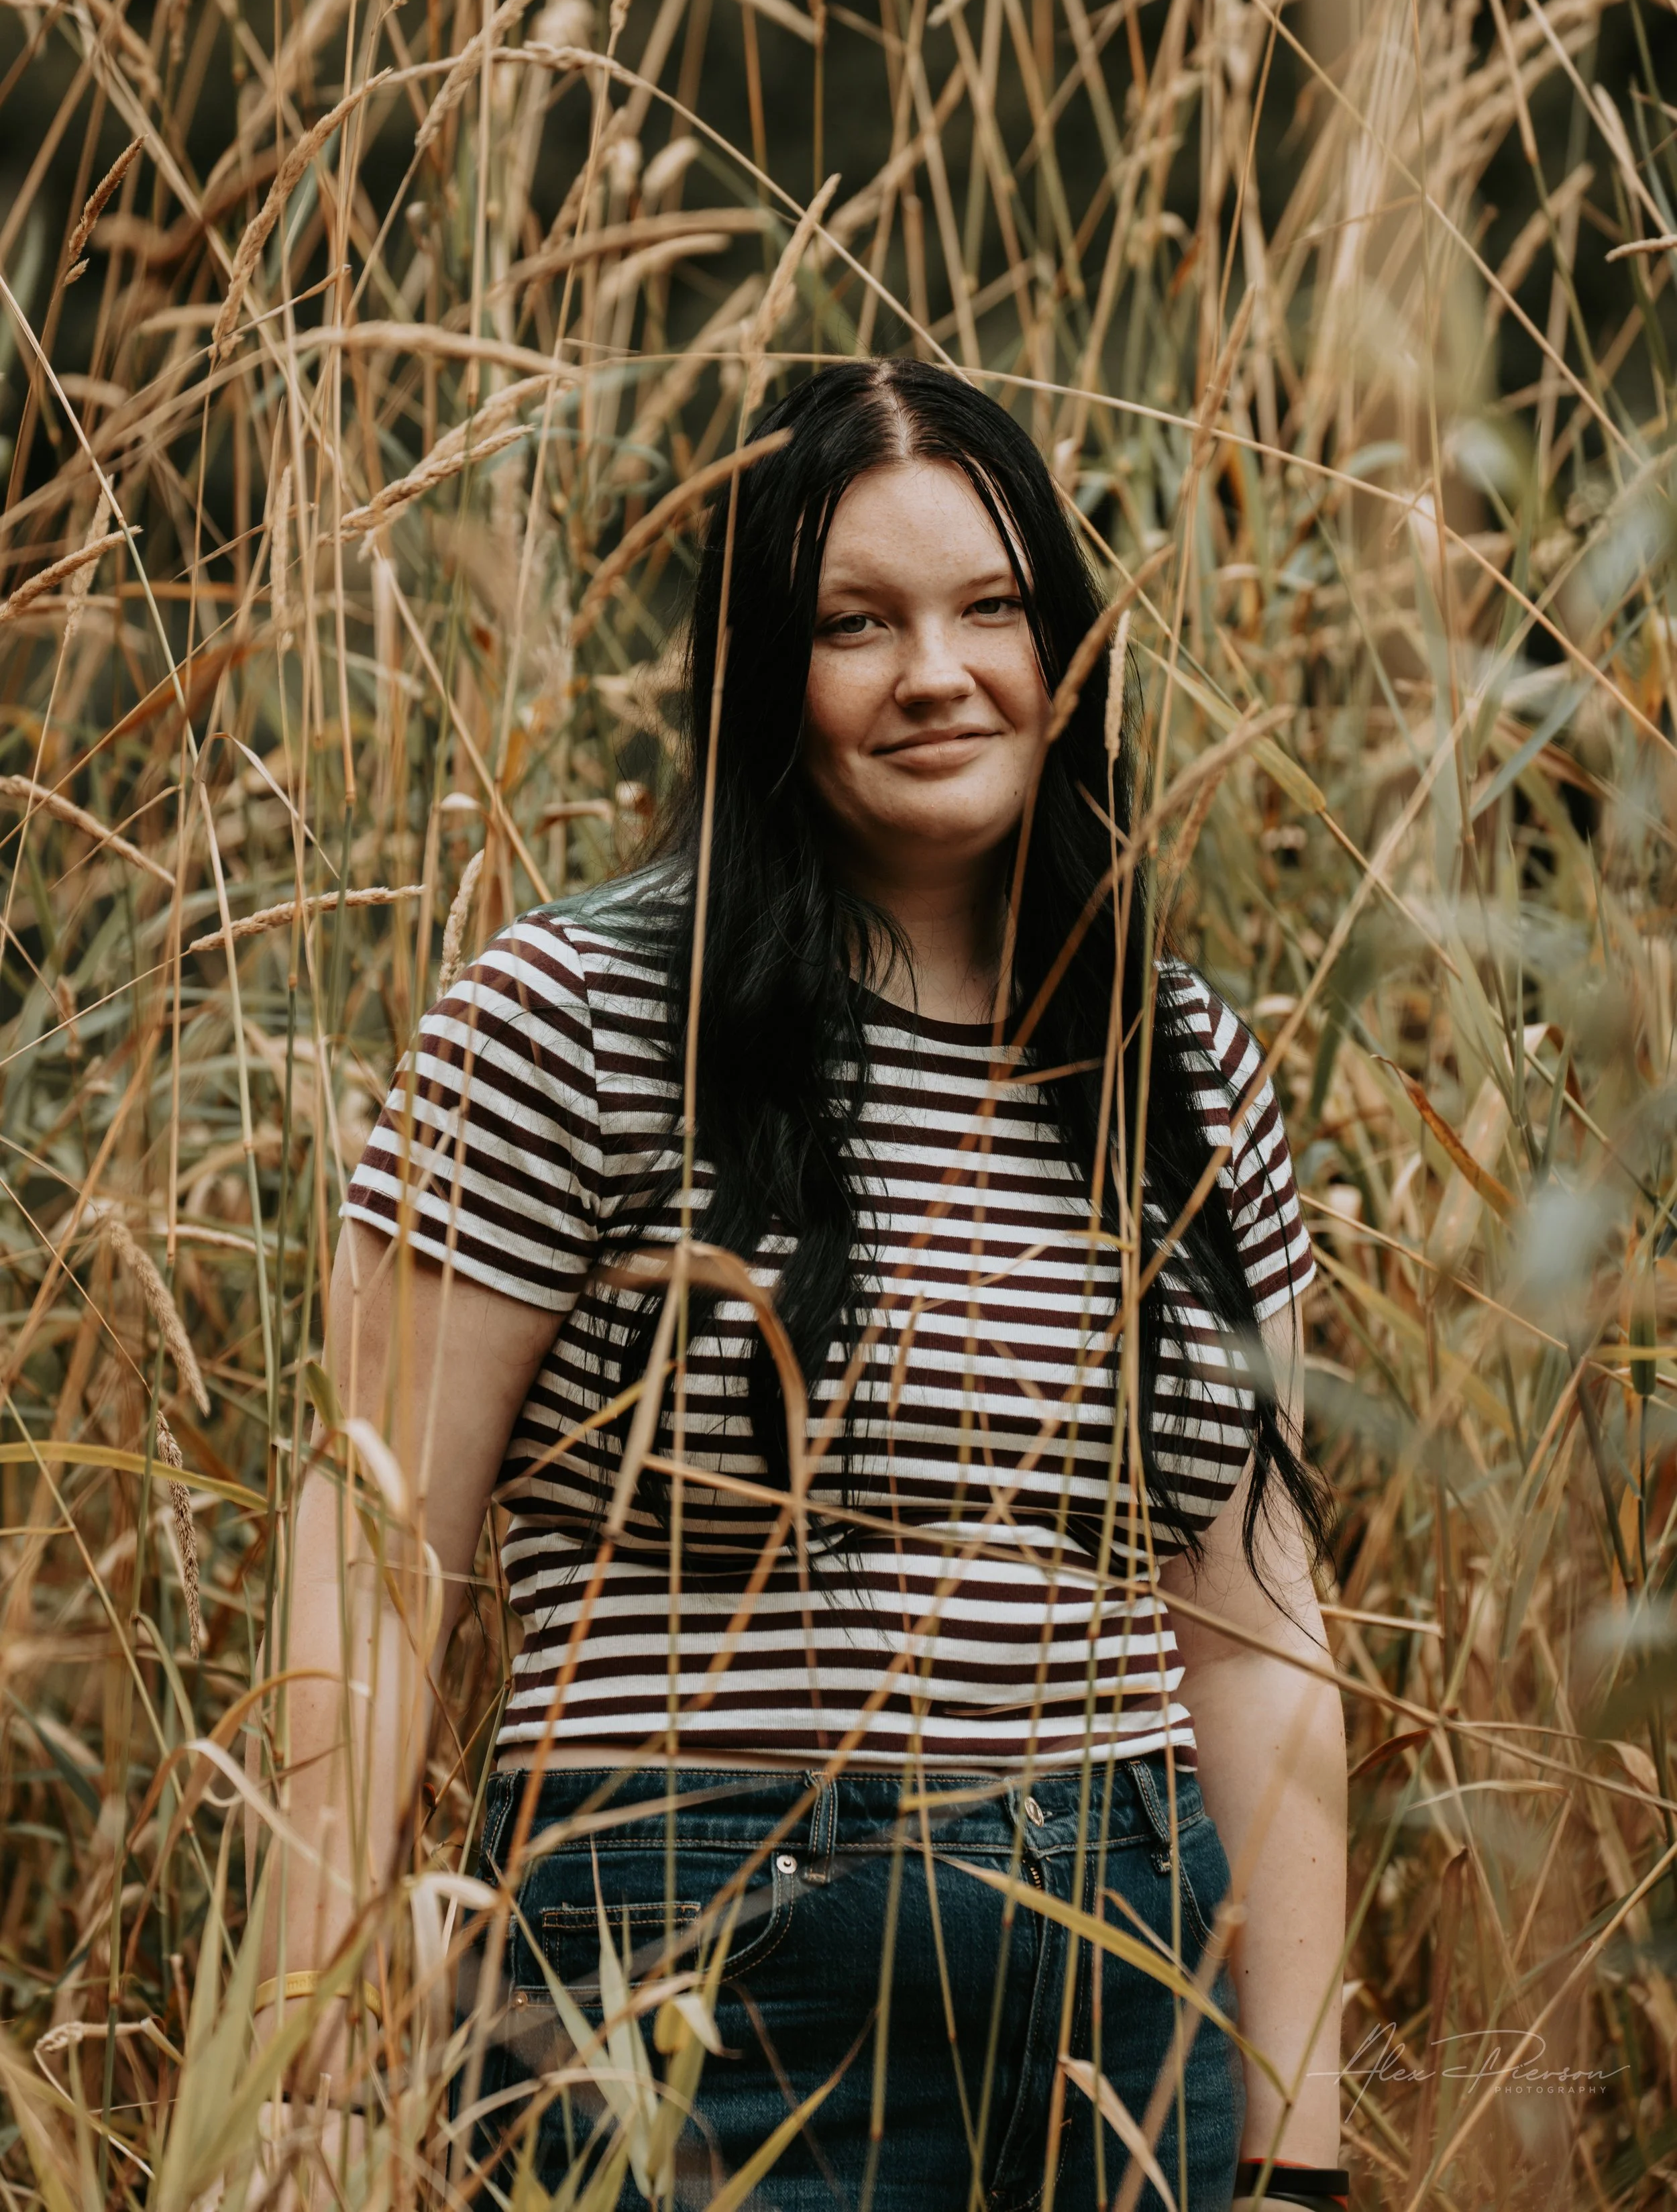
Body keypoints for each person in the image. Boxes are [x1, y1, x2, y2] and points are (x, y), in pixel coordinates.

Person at [252, 360, 1347, 2211]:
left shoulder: (1180, 1062)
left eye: (990, 607)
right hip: (699, 1987)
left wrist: (1294, 2145)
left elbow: (1252, 1628)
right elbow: (375, 1555)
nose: (939, 671)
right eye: (859, 622)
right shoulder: (575, 1020)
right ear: (767, 671)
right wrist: (311, 2072)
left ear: (1060, 649)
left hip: (1127, 1991)